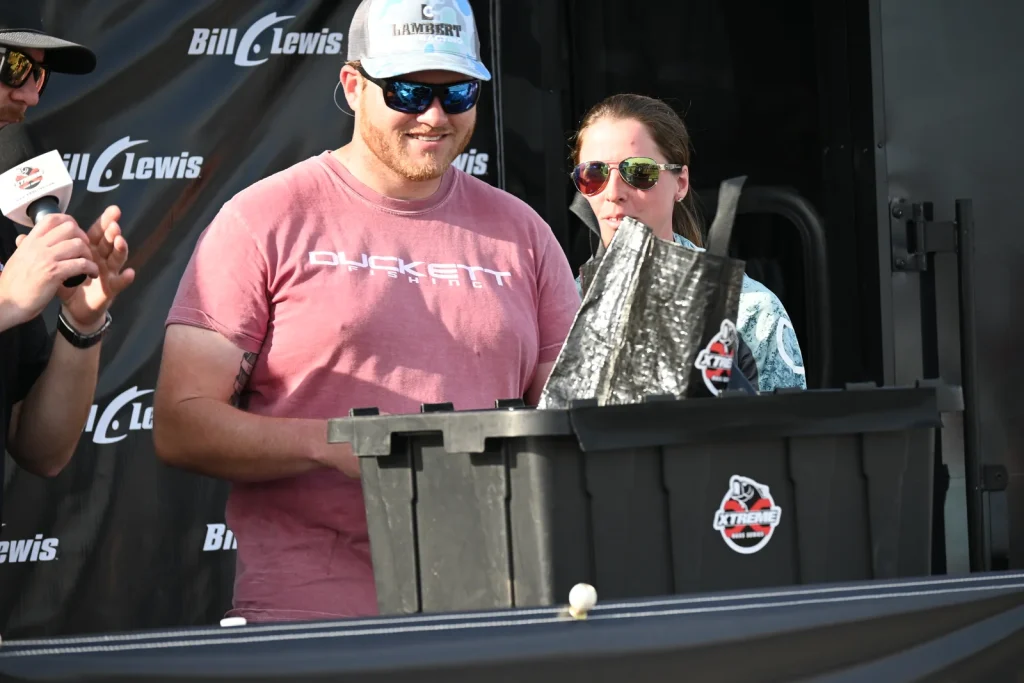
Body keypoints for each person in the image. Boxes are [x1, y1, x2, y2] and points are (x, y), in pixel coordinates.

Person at [153, 0, 580, 624]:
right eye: (408, 92)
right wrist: (339, 444)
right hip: (314, 612)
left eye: (457, 92)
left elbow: (570, 412)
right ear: (353, 86)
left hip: (498, 601)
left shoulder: (524, 231)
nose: (434, 116)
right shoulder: (264, 218)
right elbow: (182, 424)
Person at [569, 93, 807, 392]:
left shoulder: (749, 311)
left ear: (680, 183)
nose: (614, 192)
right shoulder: (561, 309)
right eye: (593, 173)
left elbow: (782, 421)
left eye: (639, 172)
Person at [0, 16, 135, 523]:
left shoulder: (8, 224)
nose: (30, 95)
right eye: (14, 67)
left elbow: (42, 451)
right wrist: (5, 302)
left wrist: (80, 325)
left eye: (40, 76)